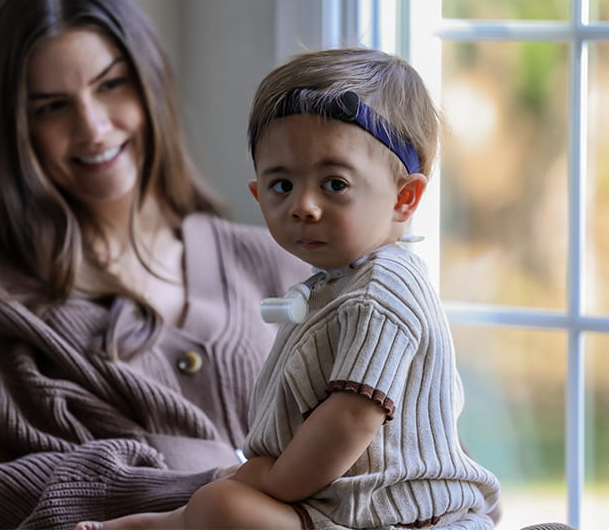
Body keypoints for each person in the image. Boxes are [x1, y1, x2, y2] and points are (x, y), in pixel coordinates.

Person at [0, 0, 309, 529]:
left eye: (111, 85)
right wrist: (209, 484)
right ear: (9, 128)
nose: (93, 127)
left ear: (150, 81)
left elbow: (401, 441)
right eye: (52, 107)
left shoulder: (277, 260)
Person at [76, 49, 501, 530]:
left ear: (405, 198)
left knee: (226, 504)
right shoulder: (335, 284)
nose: (304, 206)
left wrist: (272, 483)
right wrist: (259, 474)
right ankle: (162, 522)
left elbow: (352, 418)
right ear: (258, 193)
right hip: (345, 501)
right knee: (229, 490)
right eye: (282, 186)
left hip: (401, 518)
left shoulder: (383, 289)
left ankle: (161, 525)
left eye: (334, 183)